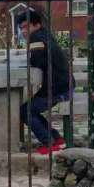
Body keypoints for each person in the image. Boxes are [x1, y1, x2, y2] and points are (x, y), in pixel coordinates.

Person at [16, 8, 73, 155]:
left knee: (26, 111)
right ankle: (56, 139)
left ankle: (50, 143)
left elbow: (36, 61)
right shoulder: (45, 35)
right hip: (64, 85)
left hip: (58, 89)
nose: (23, 31)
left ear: (37, 25)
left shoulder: (36, 38)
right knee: (30, 109)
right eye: (21, 28)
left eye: (26, 27)